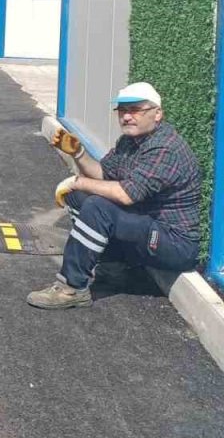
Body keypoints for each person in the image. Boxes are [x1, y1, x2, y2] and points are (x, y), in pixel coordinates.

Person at [28, 82, 202, 309]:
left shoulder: (165, 149)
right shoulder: (130, 141)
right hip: (147, 224)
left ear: (157, 113)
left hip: (174, 243)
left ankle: (72, 288)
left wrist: (77, 181)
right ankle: (114, 268)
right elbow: (103, 174)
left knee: (98, 207)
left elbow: (126, 194)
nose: (127, 117)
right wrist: (78, 153)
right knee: (79, 196)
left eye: (136, 110)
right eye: (122, 110)